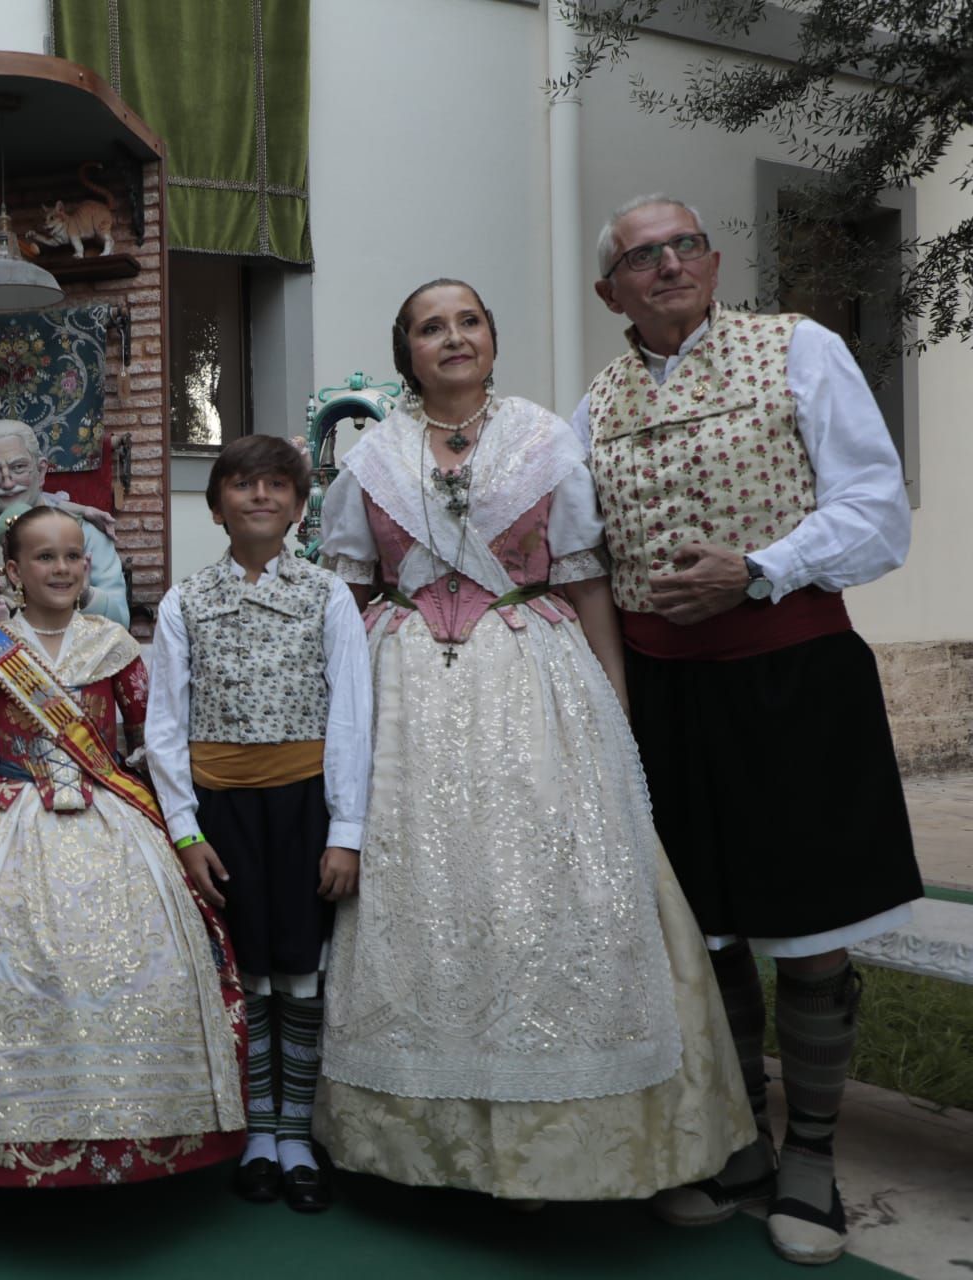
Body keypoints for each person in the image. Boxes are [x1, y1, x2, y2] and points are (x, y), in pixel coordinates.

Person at [311, 277, 753, 1210]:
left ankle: (615, 1150)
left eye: (469, 320)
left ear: (494, 339)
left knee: (563, 886)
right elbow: (344, 600)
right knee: (423, 894)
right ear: (407, 354)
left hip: (536, 683)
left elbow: (588, 580)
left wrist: (616, 713)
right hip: (406, 697)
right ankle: (421, 1151)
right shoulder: (372, 461)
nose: (453, 337)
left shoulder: (550, 441)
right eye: (431, 327)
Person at [573, 195, 922, 1265]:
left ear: (715, 260)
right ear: (610, 291)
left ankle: (812, 1155)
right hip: (666, 701)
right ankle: (738, 1141)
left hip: (792, 676)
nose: (667, 263)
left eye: (683, 245)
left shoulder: (799, 351)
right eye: (642, 255)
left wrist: (757, 568)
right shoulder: (591, 406)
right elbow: (577, 556)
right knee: (708, 931)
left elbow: (878, 509)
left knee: (810, 934)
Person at [0, 506, 245, 1186]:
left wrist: (180, 831)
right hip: (12, 820)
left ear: (87, 567)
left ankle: (144, 1121)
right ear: (14, 572)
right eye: (45, 558)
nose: (62, 568)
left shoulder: (114, 646)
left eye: (73, 556)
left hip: (113, 820)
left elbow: (147, 748)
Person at [143, 434, 372, 1214]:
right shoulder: (184, 601)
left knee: (299, 966)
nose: (261, 497)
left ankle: (297, 1133)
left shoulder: (328, 596)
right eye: (242, 485)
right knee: (246, 970)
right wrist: (185, 828)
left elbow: (351, 718)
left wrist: (347, 830)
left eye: (278, 485)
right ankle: (256, 1136)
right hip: (221, 809)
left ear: (301, 506)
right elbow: (165, 723)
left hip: (304, 802)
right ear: (216, 507)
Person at [0, 417, 131, 630]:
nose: (7, 483)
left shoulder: (84, 533)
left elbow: (121, 622)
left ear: (41, 470)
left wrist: (87, 596)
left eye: (18, 467)